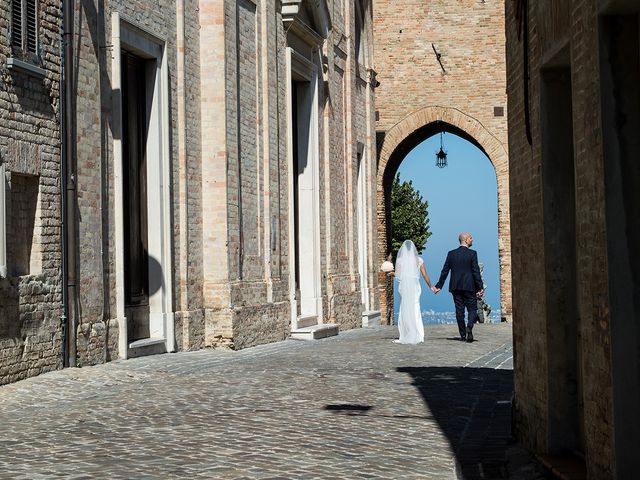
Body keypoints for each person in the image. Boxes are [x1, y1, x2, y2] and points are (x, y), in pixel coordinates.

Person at [433, 232, 484, 342]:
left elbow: (445, 271)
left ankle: (462, 335)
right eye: (471, 238)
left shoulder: (451, 254)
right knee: (472, 309)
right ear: (466, 240)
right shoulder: (472, 254)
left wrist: (439, 286)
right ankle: (469, 327)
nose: (472, 239)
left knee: (459, 311)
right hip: (469, 286)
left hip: (455, 287)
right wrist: (480, 286)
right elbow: (476, 272)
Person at [390, 240, 436, 344]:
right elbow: (425, 275)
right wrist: (431, 286)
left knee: (404, 307)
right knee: (416, 307)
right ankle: (418, 335)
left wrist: (391, 274)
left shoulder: (401, 260)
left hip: (404, 286)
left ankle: (405, 334)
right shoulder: (419, 260)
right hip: (415, 286)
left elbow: (398, 275)